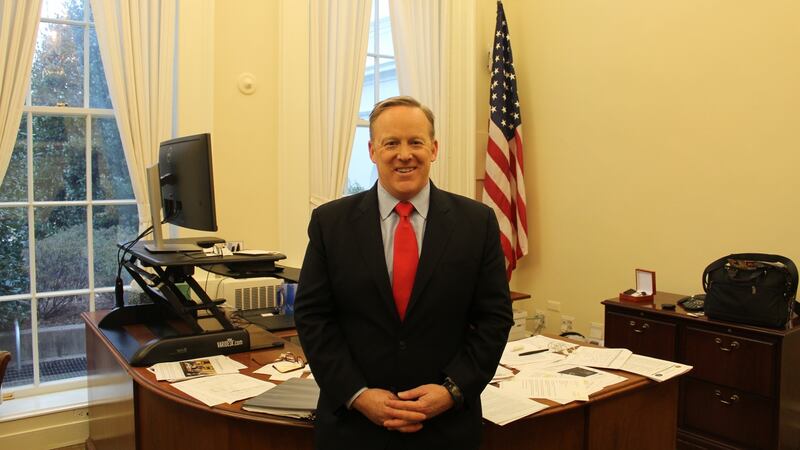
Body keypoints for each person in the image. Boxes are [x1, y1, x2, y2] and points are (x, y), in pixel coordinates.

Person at [294, 96, 513, 450]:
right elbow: (313, 317)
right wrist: (358, 394)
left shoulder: (477, 223)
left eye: (415, 142)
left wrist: (452, 390)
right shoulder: (330, 223)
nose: (404, 154)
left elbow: (494, 319)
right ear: (372, 150)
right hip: (353, 427)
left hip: (447, 426)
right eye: (391, 143)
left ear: (434, 148)